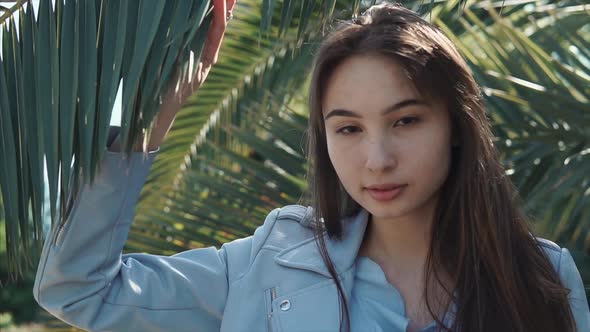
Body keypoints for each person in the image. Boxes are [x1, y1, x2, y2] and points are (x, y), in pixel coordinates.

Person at [33, 2, 589, 332]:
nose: (377, 159)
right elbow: (78, 288)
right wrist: (141, 131)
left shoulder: (542, 277)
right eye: (347, 128)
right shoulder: (272, 261)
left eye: (406, 121)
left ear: (456, 125)